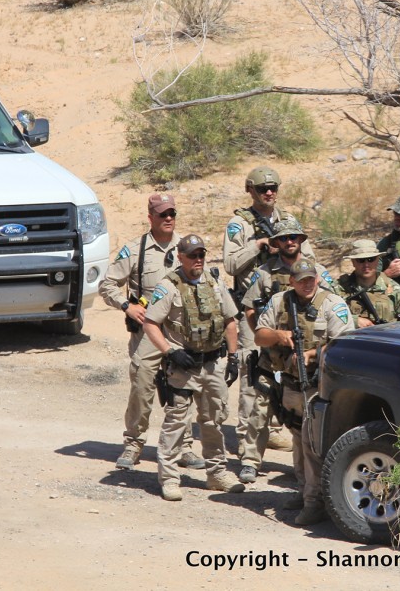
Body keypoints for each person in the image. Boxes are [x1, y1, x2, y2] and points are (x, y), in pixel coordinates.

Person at [99, 193, 203, 472]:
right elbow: (107, 284)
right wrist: (126, 306)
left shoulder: (186, 247)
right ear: (151, 218)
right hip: (147, 331)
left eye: (172, 214)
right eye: (162, 215)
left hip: (180, 330)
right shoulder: (135, 250)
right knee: (142, 385)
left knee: (183, 387)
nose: (168, 219)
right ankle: (133, 444)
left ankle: (184, 447)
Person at [143, 234, 245, 501]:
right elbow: (151, 323)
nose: (198, 259)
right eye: (192, 255)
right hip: (183, 367)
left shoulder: (214, 282)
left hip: (212, 365)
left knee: (214, 421)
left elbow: (230, 321)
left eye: (201, 254)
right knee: (176, 423)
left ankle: (217, 474)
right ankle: (169, 478)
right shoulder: (169, 286)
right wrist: (170, 352)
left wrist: (232, 358)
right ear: (181, 257)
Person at [254, 259, 354, 525]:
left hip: (319, 385)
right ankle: (304, 490)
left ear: (318, 279)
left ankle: (315, 501)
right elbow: (259, 336)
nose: (307, 284)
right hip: (289, 383)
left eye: (311, 279)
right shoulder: (279, 302)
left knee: (312, 442)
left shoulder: (333, 305)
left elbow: (345, 343)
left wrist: (313, 354)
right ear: (292, 281)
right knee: (298, 439)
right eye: (301, 280)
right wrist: (279, 335)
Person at [237, 219, 336, 484]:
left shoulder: (318, 271)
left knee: (303, 415)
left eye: (294, 237)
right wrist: (271, 338)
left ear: (301, 240)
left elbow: (333, 304)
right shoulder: (265, 273)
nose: (290, 241)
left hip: (307, 357)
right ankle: (250, 460)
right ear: (276, 242)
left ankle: (306, 472)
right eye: (284, 238)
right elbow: (249, 309)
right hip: (273, 356)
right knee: (259, 408)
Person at [224, 166, 312, 456]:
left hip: (289, 308)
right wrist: (258, 245)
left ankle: (274, 429)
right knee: (254, 375)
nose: (269, 192)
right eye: (263, 189)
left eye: (273, 187)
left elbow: (308, 259)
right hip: (256, 308)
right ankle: (246, 437)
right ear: (250, 190)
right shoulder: (240, 224)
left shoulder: (288, 221)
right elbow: (231, 265)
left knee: (286, 371)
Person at [336, 239, 400, 327]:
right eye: (361, 260)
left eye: (370, 259)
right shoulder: (340, 289)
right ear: (353, 262)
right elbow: (328, 315)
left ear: (377, 260)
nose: (366, 265)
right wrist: (355, 321)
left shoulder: (393, 289)